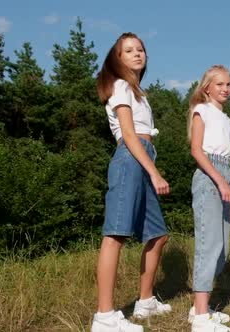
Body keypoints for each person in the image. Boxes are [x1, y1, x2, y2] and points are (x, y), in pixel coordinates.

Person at [92, 32, 171, 332]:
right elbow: (128, 134)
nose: (138, 53)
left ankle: (145, 300)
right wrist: (154, 171)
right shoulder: (120, 85)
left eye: (141, 49)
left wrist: (150, 167)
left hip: (141, 158)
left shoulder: (137, 91)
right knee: (115, 235)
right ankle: (105, 316)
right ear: (118, 58)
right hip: (131, 159)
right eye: (129, 50)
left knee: (158, 234)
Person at [187, 65, 230, 332]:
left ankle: (199, 308)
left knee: (222, 250)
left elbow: (226, 160)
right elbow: (197, 151)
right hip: (209, 175)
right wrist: (219, 181)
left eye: (229, 84)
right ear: (207, 86)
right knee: (208, 244)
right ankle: (201, 320)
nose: (226, 89)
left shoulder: (228, 121)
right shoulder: (201, 111)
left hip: (225, 174)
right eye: (220, 84)